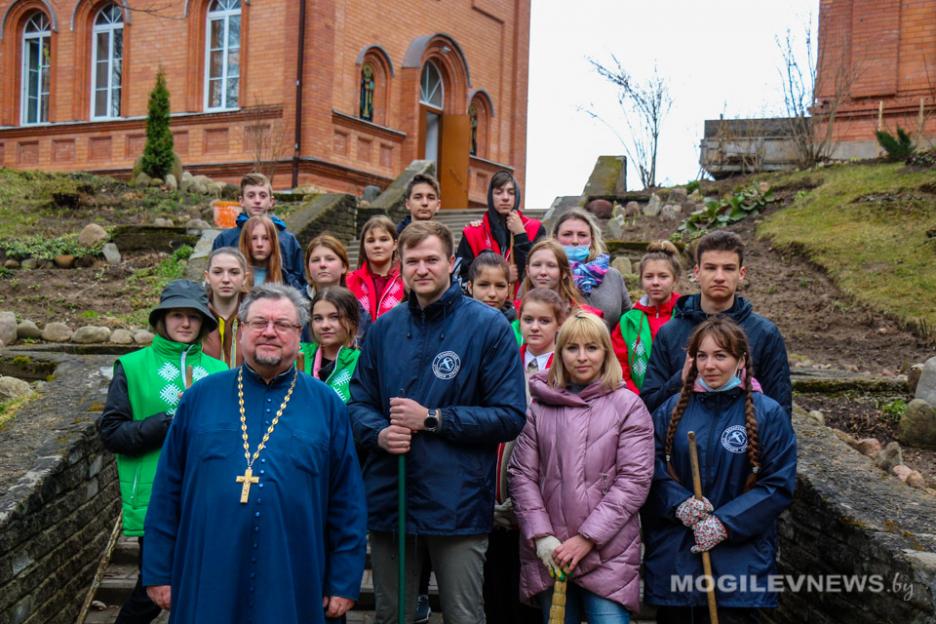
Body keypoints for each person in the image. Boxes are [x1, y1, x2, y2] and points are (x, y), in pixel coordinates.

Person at [142, 283, 367, 624]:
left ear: (298, 334)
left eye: (283, 325)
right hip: (208, 569)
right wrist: (159, 570)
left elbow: (346, 500)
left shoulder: (327, 405)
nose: (270, 332)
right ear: (242, 330)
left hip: (293, 572)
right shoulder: (199, 398)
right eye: (260, 322)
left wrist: (344, 579)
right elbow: (167, 489)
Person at [349, 220, 527, 624]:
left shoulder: (488, 327)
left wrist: (433, 419)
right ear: (401, 265)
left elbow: (509, 416)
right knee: (394, 616)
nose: (422, 269)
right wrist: (379, 434)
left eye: (431, 259)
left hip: (456, 504)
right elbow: (358, 402)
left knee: (464, 616)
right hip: (391, 499)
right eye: (412, 261)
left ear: (451, 263)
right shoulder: (384, 329)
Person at [641, 317, 797, 623]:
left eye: (720, 355)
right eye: (702, 356)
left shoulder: (768, 414)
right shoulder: (670, 410)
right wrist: (679, 503)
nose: (710, 365)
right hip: (677, 562)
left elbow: (778, 485)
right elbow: (648, 469)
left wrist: (724, 523)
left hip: (739, 565)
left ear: (740, 361)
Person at [509, 312, 654, 623]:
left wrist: (588, 537)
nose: (582, 356)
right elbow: (522, 475)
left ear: (606, 352)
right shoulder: (540, 407)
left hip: (608, 553)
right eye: (572, 348)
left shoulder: (628, 406)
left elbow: (633, 481)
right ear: (560, 354)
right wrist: (543, 537)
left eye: (592, 347)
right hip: (552, 553)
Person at [98, 280, 227, 624]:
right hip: (155, 496)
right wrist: (169, 422)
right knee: (154, 588)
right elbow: (111, 433)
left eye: (193, 317)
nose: (185, 323)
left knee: (200, 583)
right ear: (162, 320)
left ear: (204, 323)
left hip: (210, 495)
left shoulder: (222, 373)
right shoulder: (132, 367)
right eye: (177, 315)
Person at [482, 287, 566, 624]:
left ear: (559, 323)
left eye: (544, 321)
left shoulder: (566, 367)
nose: (534, 327)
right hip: (499, 478)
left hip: (542, 489)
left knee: (529, 587)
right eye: (528, 319)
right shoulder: (508, 361)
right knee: (495, 581)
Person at [640, 230, 792, 416]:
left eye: (728, 268)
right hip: (683, 441)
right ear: (697, 272)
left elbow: (780, 411)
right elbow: (648, 406)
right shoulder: (670, 333)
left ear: (741, 273)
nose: (719, 277)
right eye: (711, 268)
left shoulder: (765, 334)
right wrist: (680, 379)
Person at [211, 172, 305, 290]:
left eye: (262, 195)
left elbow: (299, 279)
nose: (257, 200)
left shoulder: (287, 240)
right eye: (251, 195)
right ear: (241, 201)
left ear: (271, 201)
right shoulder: (225, 239)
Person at [612, 241, 682, 394]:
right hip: (639, 401)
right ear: (641, 280)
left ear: (675, 279)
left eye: (663, 276)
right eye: (649, 277)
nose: (655, 282)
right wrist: (637, 399)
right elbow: (619, 365)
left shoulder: (686, 314)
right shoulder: (628, 321)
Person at [457, 170, 546, 288]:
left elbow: (541, 272)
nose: (505, 198)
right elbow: (461, 277)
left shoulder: (535, 228)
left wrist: (521, 235)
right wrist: (500, 275)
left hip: (525, 303)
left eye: (511, 193)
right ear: (490, 196)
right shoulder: (473, 233)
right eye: (498, 193)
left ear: (517, 196)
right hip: (485, 304)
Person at [553, 208, 632, 330]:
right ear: (555, 238)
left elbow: (627, 320)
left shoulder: (612, 276)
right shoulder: (544, 274)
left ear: (592, 239)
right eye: (567, 234)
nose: (575, 241)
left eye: (582, 235)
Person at [302, 233, 370, 344]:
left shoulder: (357, 310)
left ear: (344, 266)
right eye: (315, 260)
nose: (322, 264)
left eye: (330, 259)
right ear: (308, 268)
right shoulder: (294, 307)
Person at [518, 239, 604, 324]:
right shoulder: (516, 312)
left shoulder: (586, 317)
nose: (543, 272)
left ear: (564, 273)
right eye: (537, 265)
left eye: (551, 266)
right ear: (528, 270)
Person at [300, 287, 361, 404]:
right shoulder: (297, 355)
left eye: (334, 317)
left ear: (352, 321)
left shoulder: (362, 363)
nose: (325, 325)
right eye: (318, 318)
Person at [347, 215, 406, 322]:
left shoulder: (406, 281)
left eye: (384, 239)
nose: (377, 245)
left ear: (395, 244)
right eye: (370, 241)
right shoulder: (350, 281)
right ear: (363, 246)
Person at [202, 247, 249, 367]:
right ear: (207, 277)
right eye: (217, 272)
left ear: (245, 278)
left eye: (234, 272)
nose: (226, 279)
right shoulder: (197, 317)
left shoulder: (257, 318)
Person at [467, 251, 516, 323]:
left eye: (500, 286)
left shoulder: (518, 328)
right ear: (470, 287)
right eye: (483, 285)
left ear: (508, 290)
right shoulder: (457, 323)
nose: (492, 294)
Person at [239, 215, 284, 286]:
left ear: (274, 242)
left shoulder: (287, 279)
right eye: (253, 238)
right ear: (245, 241)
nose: (259, 244)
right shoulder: (235, 278)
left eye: (266, 238)